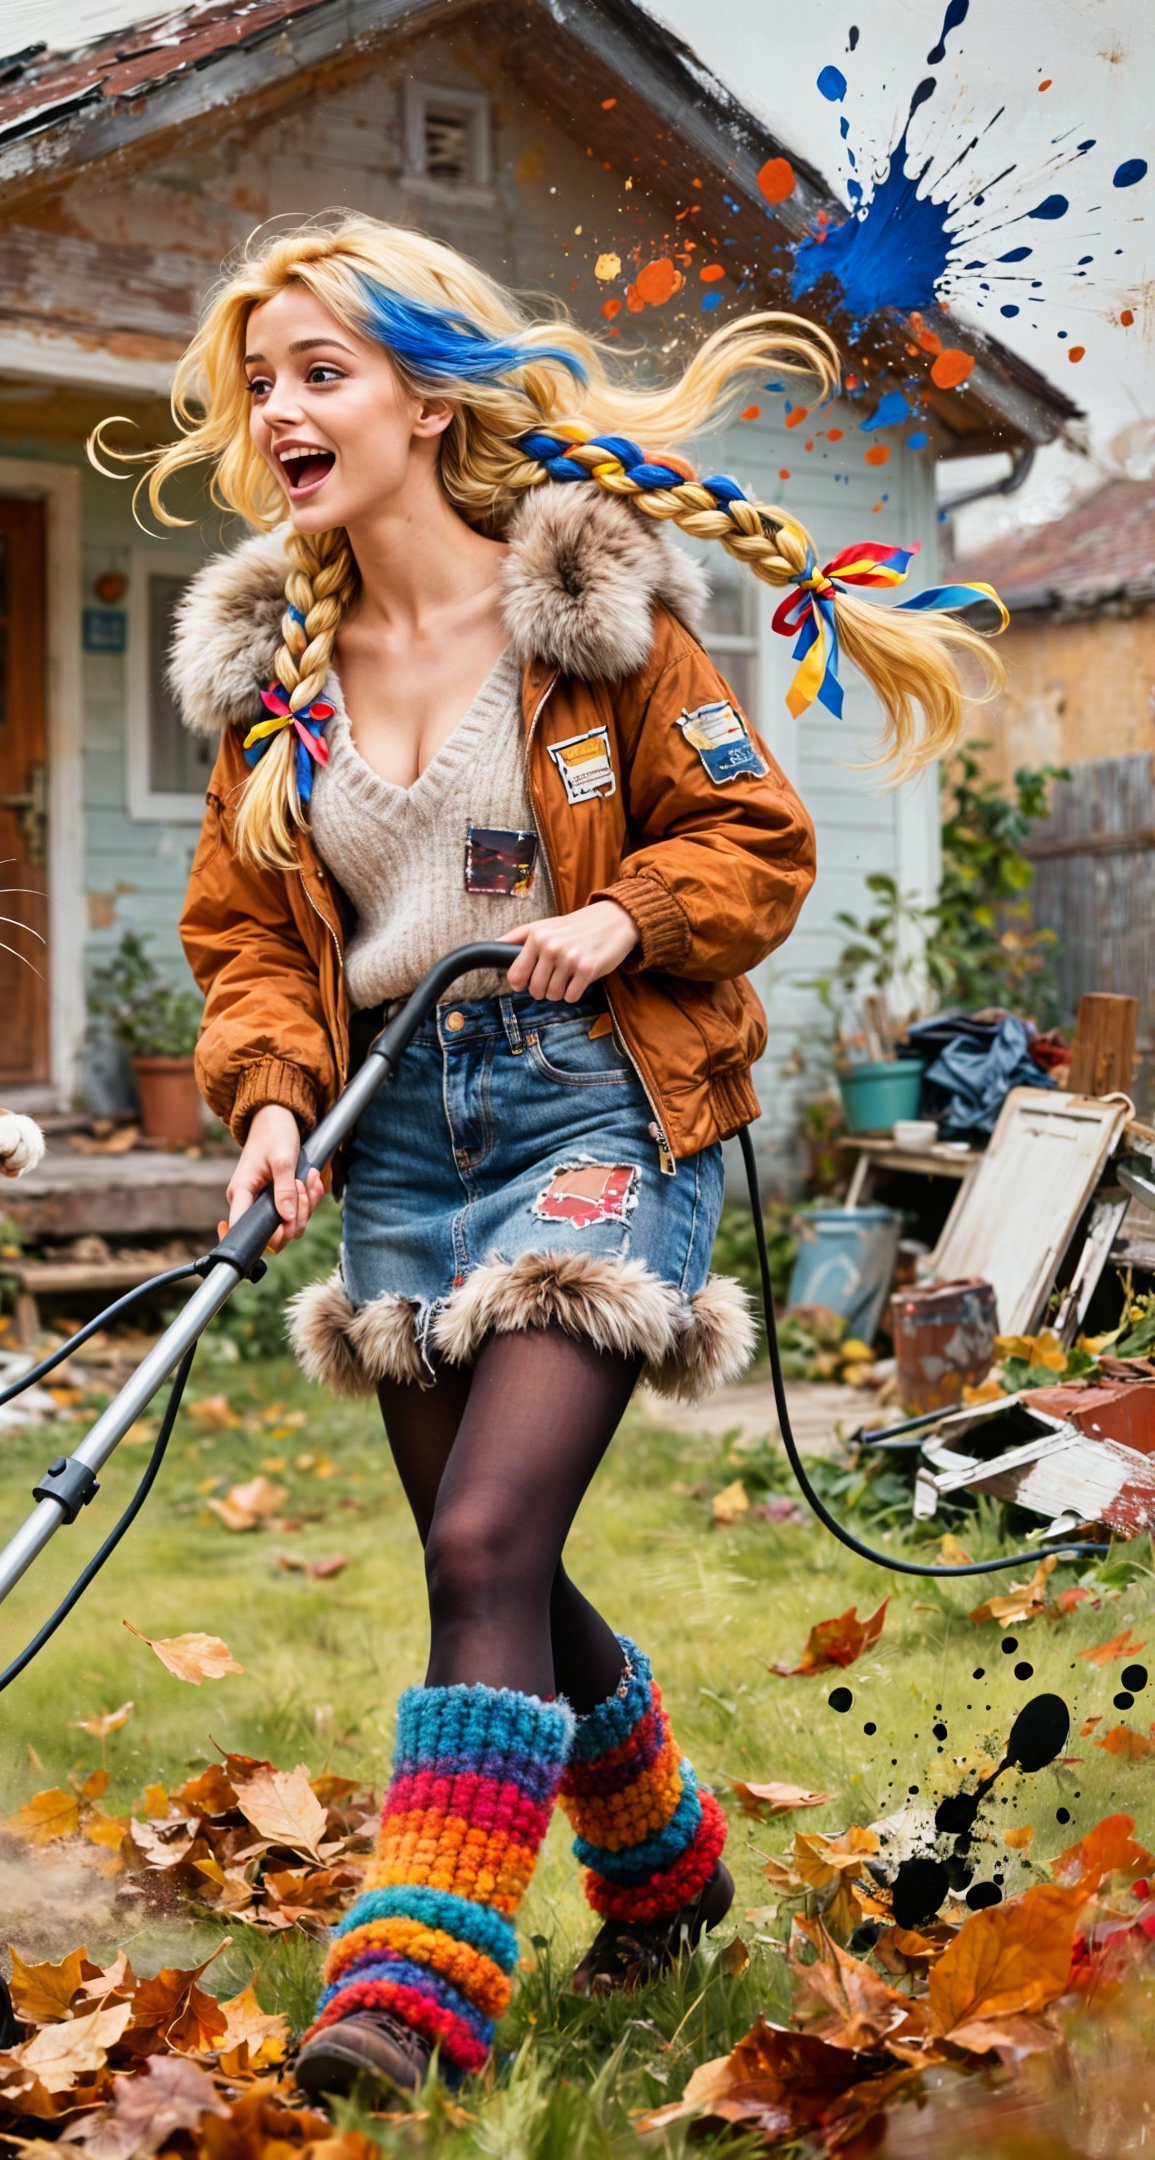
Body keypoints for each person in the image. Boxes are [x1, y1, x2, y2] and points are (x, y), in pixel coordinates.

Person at [93, 214, 1003, 2104]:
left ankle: (413, 1996)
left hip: (594, 1104)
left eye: (322, 371)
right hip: (399, 1136)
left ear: (427, 403)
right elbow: (249, 937)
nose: (279, 410)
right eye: (260, 382)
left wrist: (626, 914)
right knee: (495, 1543)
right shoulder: (275, 680)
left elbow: (752, 836)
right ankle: (668, 1877)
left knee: (485, 1542)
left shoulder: (596, 627)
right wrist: (269, 1102)